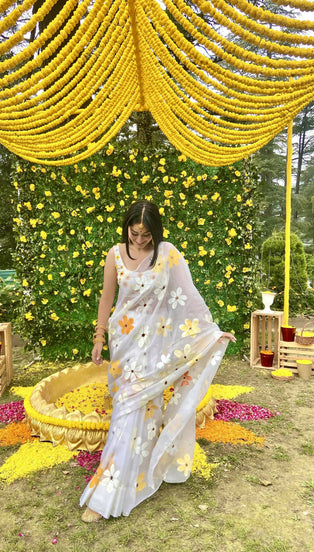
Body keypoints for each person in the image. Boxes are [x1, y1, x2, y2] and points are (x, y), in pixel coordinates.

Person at [80, 200, 236, 522]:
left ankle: (107, 493)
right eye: (134, 233)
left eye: (146, 236)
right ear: (126, 227)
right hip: (123, 343)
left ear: (156, 233)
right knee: (127, 405)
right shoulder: (114, 255)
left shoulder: (167, 254)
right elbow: (107, 299)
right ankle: (135, 469)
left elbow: (187, 298)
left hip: (154, 344)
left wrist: (210, 334)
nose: (139, 240)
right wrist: (98, 338)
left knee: (140, 408)